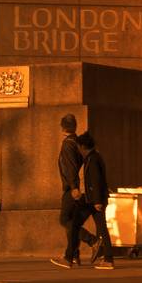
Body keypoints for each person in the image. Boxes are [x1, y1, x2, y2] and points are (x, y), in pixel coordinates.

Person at [50, 112, 96, 270]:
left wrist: (73, 187)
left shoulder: (67, 144)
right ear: (74, 127)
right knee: (73, 220)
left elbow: (70, 167)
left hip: (72, 188)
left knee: (65, 220)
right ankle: (73, 254)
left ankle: (92, 241)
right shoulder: (77, 142)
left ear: (62, 127)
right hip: (78, 186)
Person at [76, 131, 114, 269]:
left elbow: (96, 180)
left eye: (78, 147)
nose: (78, 150)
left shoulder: (93, 159)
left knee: (102, 228)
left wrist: (97, 201)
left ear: (83, 146)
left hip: (94, 201)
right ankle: (104, 255)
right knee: (99, 228)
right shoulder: (94, 157)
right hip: (92, 199)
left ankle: (108, 259)